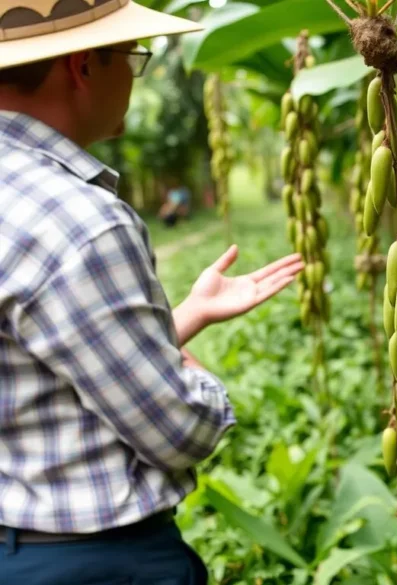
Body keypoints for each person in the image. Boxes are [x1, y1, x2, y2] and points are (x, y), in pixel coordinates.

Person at [0, 2, 304, 583]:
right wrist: (195, 380)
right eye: (134, 59)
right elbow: (177, 429)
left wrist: (182, 317)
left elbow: (28, 368)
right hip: (95, 564)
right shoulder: (79, 222)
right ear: (84, 65)